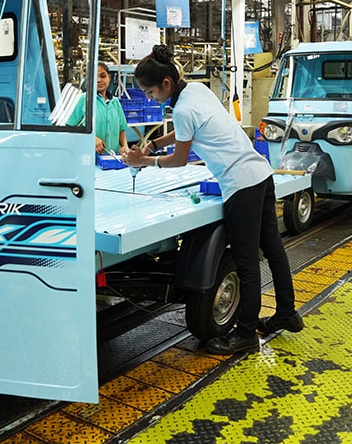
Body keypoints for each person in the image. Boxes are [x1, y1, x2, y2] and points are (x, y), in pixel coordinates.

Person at [124, 45, 303, 354]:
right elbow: (185, 133)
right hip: (260, 174)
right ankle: (287, 312)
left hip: (240, 184)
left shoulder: (181, 109)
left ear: (166, 83)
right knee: (273, 249)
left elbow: (180, 157)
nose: (149, 97)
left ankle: (246, 333)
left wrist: (145, 162)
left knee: (246, 262)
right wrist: (153, 144)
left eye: (150, 91)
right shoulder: (195, 90)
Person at [68, 62, 129, 154]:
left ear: (109, 78)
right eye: (95, 77)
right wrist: (91, 138)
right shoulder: (83, 99)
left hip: (112, 159)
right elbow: (69, 128)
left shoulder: (115, 103)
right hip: (90, 158)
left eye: (103, 76)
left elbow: (121, 130)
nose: (99, 80)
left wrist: (125, 146)